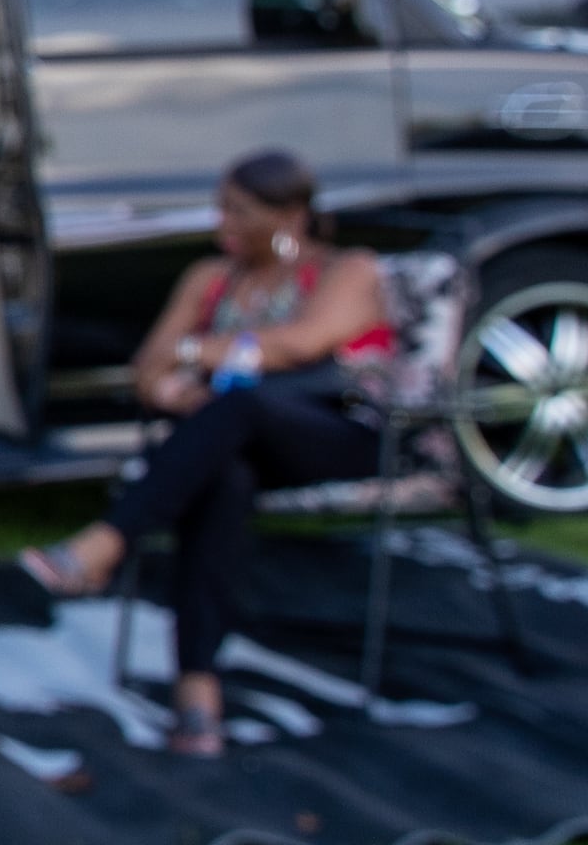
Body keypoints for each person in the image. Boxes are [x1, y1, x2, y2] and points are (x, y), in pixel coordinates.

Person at [21, 149, 392, 755]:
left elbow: (301, 345)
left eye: (240, 210)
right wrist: (173, 384)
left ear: (291, 216)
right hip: (236, 444)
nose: (223, 221)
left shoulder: (346, 271)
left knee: (240, 404)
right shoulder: (209, 278)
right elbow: (148, 367)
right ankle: (198, 694)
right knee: (223, 478)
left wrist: (196, 356)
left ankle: (107, 541)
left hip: (340, 437)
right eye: (222, 206)